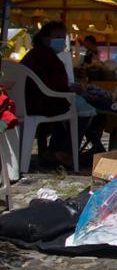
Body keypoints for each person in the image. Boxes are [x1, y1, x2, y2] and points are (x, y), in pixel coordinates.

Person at [19, 22, 93, 166]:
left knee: (72, 106)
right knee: (85, 109)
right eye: (57, 36)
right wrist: (73, 89)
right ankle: (65, 152)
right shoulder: (47, 57)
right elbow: (56, 86)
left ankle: (52, 150)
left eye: (63, 37)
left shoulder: (34, 53)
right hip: (43, 102)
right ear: (45, 37)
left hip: (31, 100)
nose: (61, 40)